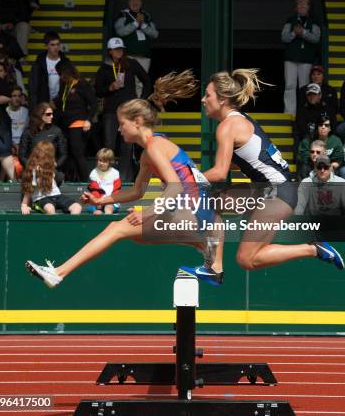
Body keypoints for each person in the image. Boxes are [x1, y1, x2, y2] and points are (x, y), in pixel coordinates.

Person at [25, 70, 219, 288]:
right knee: (132, 233)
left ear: (137, 122)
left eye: (121, 123)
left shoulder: (155, 147)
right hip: (196, 212)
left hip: (195, 211)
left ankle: (58, 273)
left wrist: (147, 212)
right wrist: (101, 201)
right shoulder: (148, 152)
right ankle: (205, 245)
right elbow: (137, 192)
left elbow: (174, 187)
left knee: (116, 229)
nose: (118, 129)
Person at [182, 69, 345, 282]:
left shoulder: (227, 127)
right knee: (211, 202)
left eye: (208, 95)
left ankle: (315, 250)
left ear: (222, 100)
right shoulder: (240, 119)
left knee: (247, 260)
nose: (203, 99)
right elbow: (239, 163)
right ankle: (214, 268)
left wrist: (187, 178)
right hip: (272, 189)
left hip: (277, 194)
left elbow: (220, 172)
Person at [95, 37, 151, 181]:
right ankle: (108, 179)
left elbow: (147, 81)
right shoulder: (104, 68)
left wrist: (141, 100)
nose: (119, 51)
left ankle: (124, 180)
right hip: (111, 112)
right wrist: (110, 87)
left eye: (121, 49)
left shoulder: (131, 63)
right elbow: (98, 91)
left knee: (127, 146)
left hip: (129, 113)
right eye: (116, 49)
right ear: (110, 51)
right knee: (109, 145)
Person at [54, 60, 98, 182]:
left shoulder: (82, 85)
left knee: (78, 153)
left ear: (68, 72)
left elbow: (94, 103)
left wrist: (88, 120)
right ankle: (72, 179)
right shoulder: (65, 86)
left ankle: (85, 182)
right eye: (59, 74)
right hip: (65, 125)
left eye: (62, 73)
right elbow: (61, 104)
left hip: (79, 123)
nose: (60, 76)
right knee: (69, 154)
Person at [281, 0, 321, 115]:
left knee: (304, 86)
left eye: (304, 4)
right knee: (289, 85)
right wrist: (294, 33)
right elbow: (284, 37)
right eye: (300, 4)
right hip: (290, 58)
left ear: (308, 7)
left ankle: (303, 110)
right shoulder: (290, 20)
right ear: (296, 7)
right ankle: (290, 112)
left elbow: (316, 38)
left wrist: (303, 33)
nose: (302, 6)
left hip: (306, 59)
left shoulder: (314, 21)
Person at [114, 0, 159, 95]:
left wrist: (143, 25)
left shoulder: (146, 15)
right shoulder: (123, 15)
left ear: (141, 2)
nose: (135, 3)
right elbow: (120, 31)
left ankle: (136, 106)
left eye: (137, 0)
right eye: (132, 1)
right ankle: (123, 104)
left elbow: (155, 34)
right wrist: (135, 24)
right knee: (124, 80)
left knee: (140, 82)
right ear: (128, 2)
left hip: (144, 56)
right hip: (127, 56)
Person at [21, 141, 82, 216]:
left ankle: (70, 227)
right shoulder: (35, 169)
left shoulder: (50, 167)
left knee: (77, 207)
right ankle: (56, 227)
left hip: (57, 195)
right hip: (41, 199)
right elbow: (29, 190)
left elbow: (54, 178)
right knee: (50, 208)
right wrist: (24, 205)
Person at [18, 102, 67, 172]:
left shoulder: (56, 131)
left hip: (52, 170)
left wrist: (55, 165)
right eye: (48, 114)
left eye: (52, 114)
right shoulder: (28, 132)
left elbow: (63, 153)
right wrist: (32, 167)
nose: (52, 116)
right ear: (40, 115)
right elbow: (21, 155)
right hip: (33, 170)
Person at [28, 31, 69, 111]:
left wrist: (57, 102)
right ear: (46, 46)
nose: (56, 47)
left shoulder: (65, 62)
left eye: (58, 44)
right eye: (52, 45)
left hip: (60, 104)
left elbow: (69, 86)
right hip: (43, 104)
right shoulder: (39, 63)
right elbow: (33, 88)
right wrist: (35, 107)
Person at [86, 148, 122, 215]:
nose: (101, 163)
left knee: (108, 208)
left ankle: (108, 219)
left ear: (110, 162)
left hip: (111, 201)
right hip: (97, 201)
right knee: (96, 211)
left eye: (104, 162)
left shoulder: (115, 173)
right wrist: (98, 200)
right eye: (100, 160)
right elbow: (94, 190)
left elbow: (116, 190)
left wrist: (108, 201)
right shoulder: (94, 173)